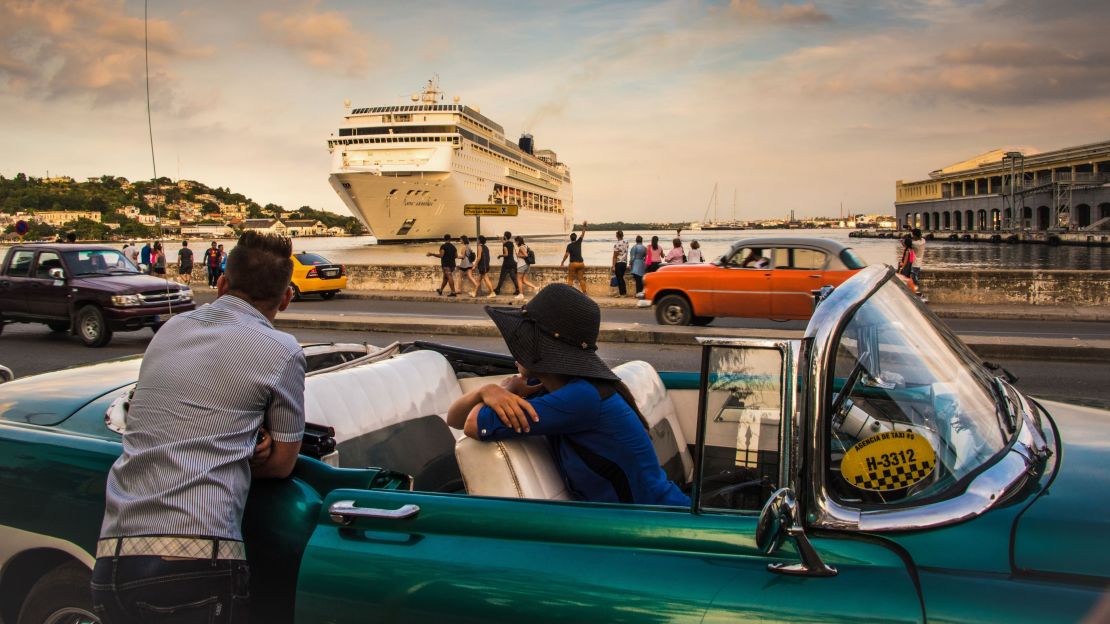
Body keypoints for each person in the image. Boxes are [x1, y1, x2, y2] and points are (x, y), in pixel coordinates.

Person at [92, 231, 306, 624]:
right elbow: (282, 464)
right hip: (195, 557)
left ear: (222, 284)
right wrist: (252, 446)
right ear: (286, 297)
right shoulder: (282, 350)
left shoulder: (169, 331)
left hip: (112, 558)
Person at [447, 284, 690, 506]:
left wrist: (500, 391)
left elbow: (471, 424)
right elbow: (454, 419)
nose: (515, 348)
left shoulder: (580, 399)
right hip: (644, 519)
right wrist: (484, 391)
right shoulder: (559, 388)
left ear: (543, 350)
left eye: (524, 339)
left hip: (655, 525)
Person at [560, 221, 588, 294]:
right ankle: (585, 292)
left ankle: (569, 294)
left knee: (570, 279)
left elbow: (566, 255)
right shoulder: (579, 242)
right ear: (575, 238)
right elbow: (582, 234)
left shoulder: (569, 246)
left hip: (573, 264)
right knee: (581, 279)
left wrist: (562, 262)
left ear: (570, 238)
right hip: (581, 263)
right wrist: (584, 227)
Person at [493, 231, 519, 297]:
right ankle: (518, 289)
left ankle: (497, 290)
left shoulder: (505, 244)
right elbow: (504, 242)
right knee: (513, 277)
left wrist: (500, 255)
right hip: (512, 263)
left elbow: (506, 254)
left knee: (502, 277)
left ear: (505, 236)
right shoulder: (511, 243)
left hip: (506, 263)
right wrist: (499, 238)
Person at [611, 230, 629, 297]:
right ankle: (623, 293)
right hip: (624, 262)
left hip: (618, 263)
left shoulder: (616, 245)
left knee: (619, 278)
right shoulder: (626, 242)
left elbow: (615, 256)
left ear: (617, 236)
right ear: (623, 235)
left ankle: (622, 293)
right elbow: (625, 252)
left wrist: (613, 266)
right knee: (621, 277)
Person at [911, 228, 926, 298]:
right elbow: (919, 237)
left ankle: (918, 294)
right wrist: (911, 230)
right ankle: (917, 293)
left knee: (914, 280)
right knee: (915, 279)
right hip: (919, 264)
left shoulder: (914, 244)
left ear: (916, 236)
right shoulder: (923, 241)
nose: (912, 236)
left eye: (913, 235)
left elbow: (905, 244)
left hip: (914, 264)